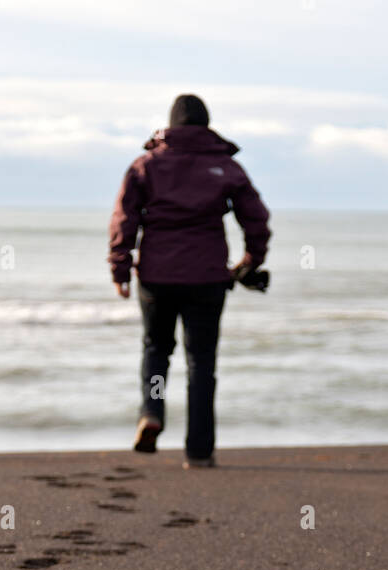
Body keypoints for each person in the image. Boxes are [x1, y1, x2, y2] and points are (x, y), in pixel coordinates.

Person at [108, 94, 271, 468]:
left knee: (157, 351)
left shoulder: (146, 165)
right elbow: (256, 219)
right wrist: (251, 260)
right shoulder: (227, 167)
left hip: (156, 276)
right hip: (207, 278)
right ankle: (198, 451)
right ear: (206, 125)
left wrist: (120, 268)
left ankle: (152, 412)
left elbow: (124, 220)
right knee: (201, 364)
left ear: (171, 126)